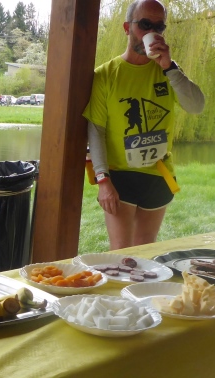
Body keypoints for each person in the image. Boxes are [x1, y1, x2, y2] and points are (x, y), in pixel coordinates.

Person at [83, 0, 205, 250]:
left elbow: (196, 106)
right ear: (127, 27)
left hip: (158, 172)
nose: (152, 32)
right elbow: (96, 130)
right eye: (145, 24)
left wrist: (169, 67)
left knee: (145, 251)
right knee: (122, 252)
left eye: (159, 27)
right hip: (120, 174)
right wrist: (103, 180)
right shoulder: (106, 75)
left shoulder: (168, 71)